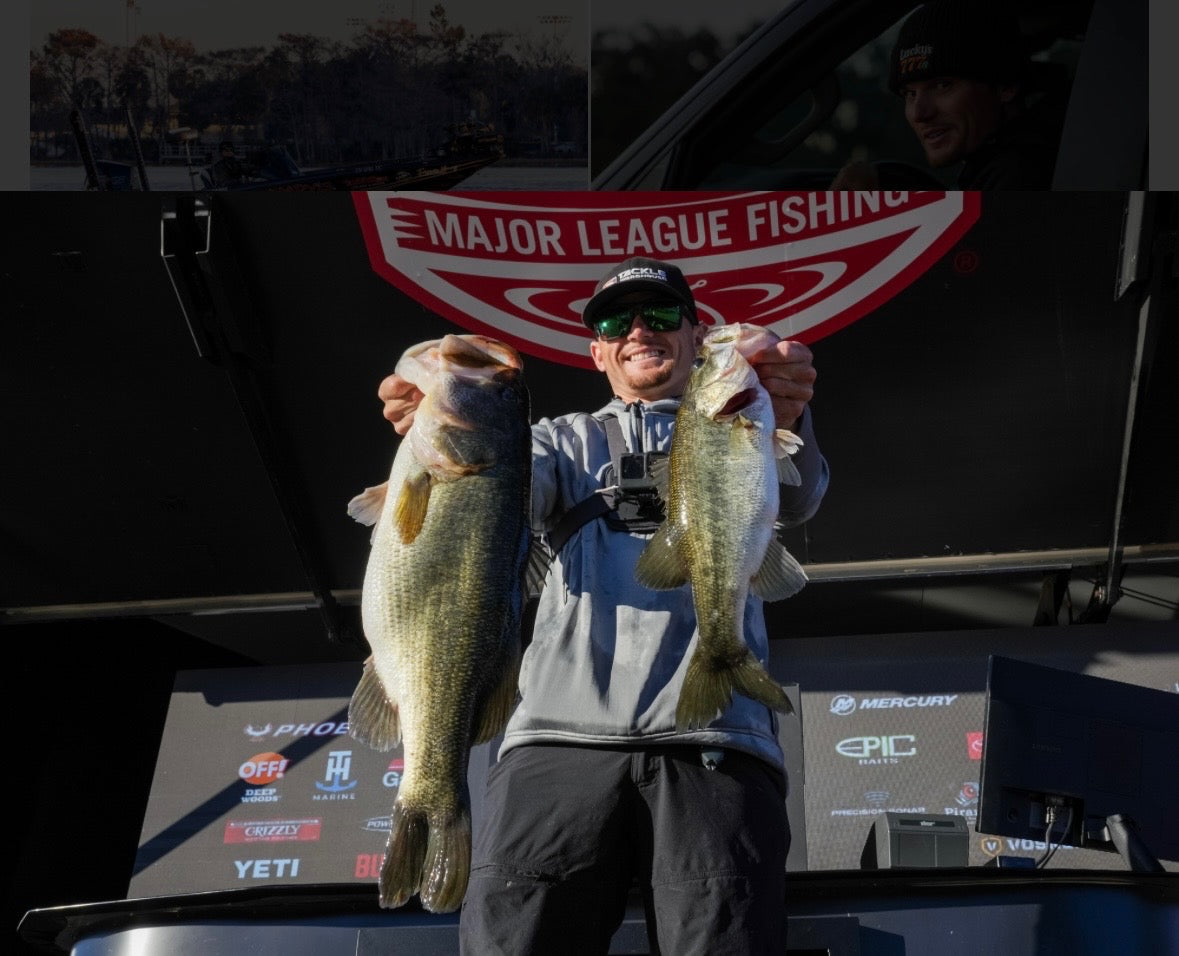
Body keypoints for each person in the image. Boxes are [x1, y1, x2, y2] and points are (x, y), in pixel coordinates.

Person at [378, 256, 829, 954]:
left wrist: (788, 409)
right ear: (596, 353)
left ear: (695, 333)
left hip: (715, 739)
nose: (638, 331)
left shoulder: (747, 414)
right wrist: (435, 427)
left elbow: (796, 500)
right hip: (556, 746)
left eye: (660, 314)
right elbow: (491, 507)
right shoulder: (554, 442)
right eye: (616, 323)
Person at [885, 0, 1062, 188]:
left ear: (1006, 85)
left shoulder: (1020, 173)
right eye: (910, 94)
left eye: (943, 85)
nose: (919, 114)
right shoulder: (996, 168)